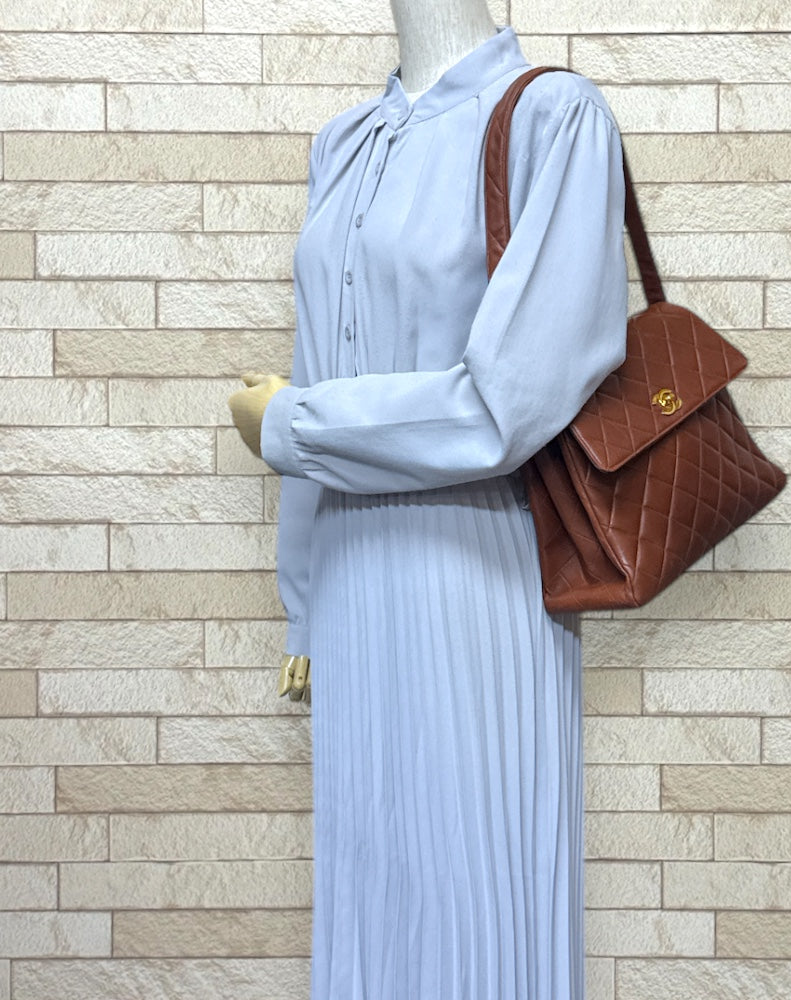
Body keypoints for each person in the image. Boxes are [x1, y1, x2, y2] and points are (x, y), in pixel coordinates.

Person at [226, 1, 628, 996]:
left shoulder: (554, 117)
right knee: (373, 890)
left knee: (471, 896)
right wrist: (303, 606)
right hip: (352, 594)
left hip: (474, 578)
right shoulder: (344, 143)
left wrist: (294, 425)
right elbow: (315, 362)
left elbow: (507, 404)